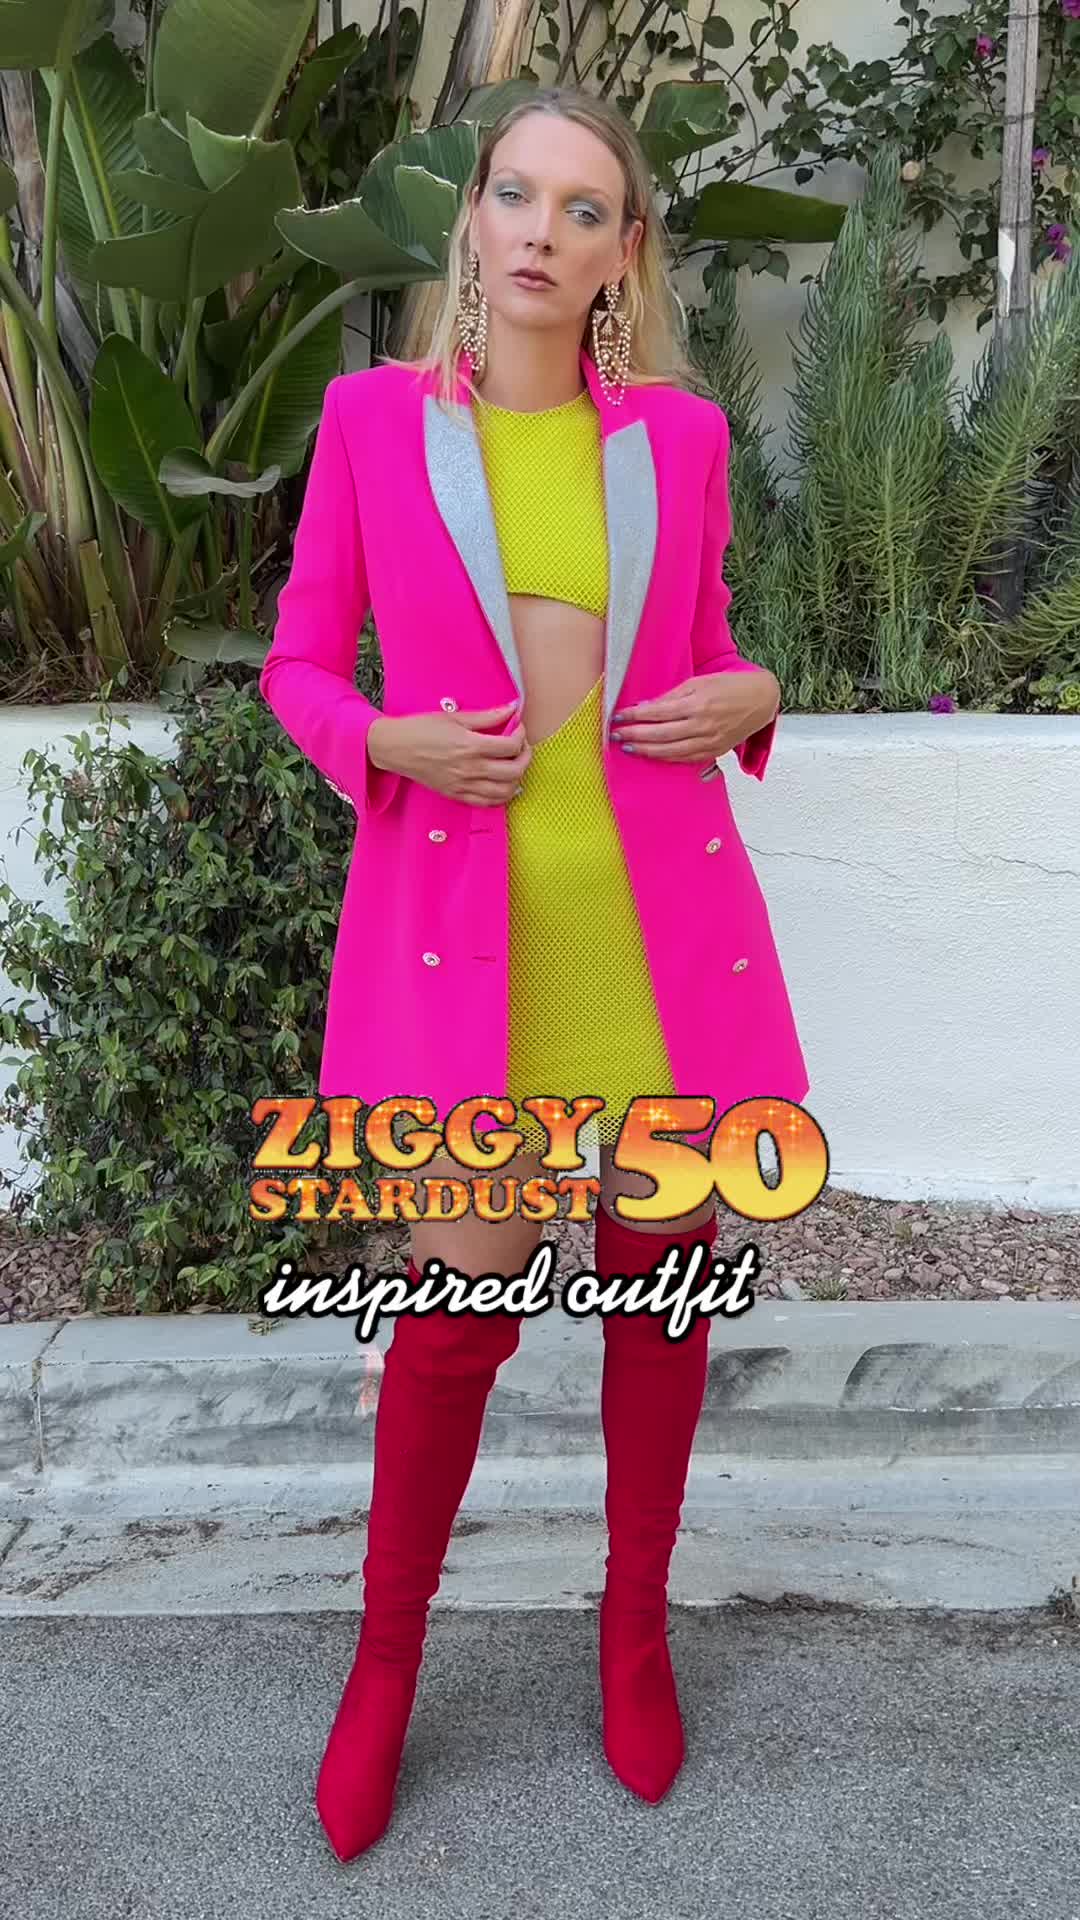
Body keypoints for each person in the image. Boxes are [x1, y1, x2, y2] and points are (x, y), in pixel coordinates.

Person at [259, 85, 809, 1863]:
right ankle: (383, 1670)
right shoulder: (369, 422)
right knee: (452, 1328)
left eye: (585, 210)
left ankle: (633, 1636)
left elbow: (708, 651)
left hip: (657, 957)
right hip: (462, 963)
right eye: (518, 194)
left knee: (663, 1297)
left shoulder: (682, 441)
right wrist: (388, 742)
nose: (544, 233)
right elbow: (297, 667)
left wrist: (759, 696)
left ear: (620, 256)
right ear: (473, 219)